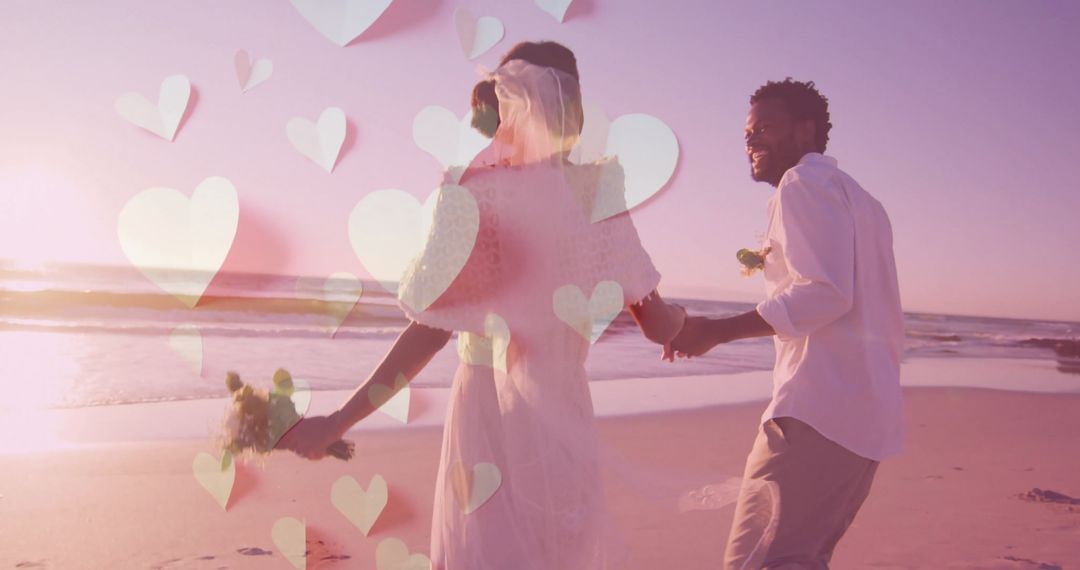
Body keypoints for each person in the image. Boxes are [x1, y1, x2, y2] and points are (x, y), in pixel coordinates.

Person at [278, 41, 686, 569]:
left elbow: (430, 329)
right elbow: (655, 319)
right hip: (564, 416)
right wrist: (683, 327)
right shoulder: (599, 191)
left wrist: (339, 420)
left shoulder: (475, 192)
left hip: (487, 418)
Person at [668, 78, 905, 569]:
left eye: (766, 128)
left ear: (806, 131)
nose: (752, 141)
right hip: (866, 424)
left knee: (754, 563)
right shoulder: (865, 202)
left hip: (817, 413)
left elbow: (825, 293)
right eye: (748, 133)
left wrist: (715, 330)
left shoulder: (803, 183)